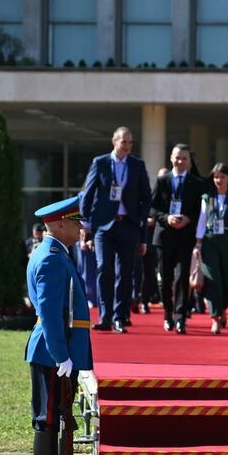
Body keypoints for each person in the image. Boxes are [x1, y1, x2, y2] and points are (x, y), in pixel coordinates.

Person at [24, 196, 92, 455]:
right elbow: (51, 314)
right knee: (47, 418)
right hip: (53, 352)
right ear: (60, 223)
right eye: (76, 223)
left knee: (52, 418)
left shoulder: (55, 253)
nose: (80, 228)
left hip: (57, 350)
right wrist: (61, 355)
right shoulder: (51, 257)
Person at [80, 126, 151, 333]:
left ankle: (120, 316)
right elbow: (88, 193)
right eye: (123, 142)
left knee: (125, 272)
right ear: (114, 141)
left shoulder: (137, 165)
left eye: (130, 142)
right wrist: (86, 225)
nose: (127, 146)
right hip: (104, 226)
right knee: (104, 269)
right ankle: (105, 316)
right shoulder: (100, 163)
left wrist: (139, 217)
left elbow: (146, 196)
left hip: (128, 224)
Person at [150, 145, 204, 334]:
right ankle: (167, 313)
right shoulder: (162, 180)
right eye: (177, 158)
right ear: (171, 158)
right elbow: (152, 208)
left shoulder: (196, 184)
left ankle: (180, 317)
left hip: (185, 236)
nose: (180, 162)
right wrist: (167, 218)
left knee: (182, 278)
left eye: (184, 159)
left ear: (189, 161)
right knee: (165, 278)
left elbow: (200, 210)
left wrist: (189, 219)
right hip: (164, 236)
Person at [194, 163, 228, 335]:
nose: (219, 180)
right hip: (210, 241)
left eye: (222, 176)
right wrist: (198, 243)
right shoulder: (207, 197)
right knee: (213, 278)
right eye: (216, 177)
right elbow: (202, 221)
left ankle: (223, 307)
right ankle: (215, 318)